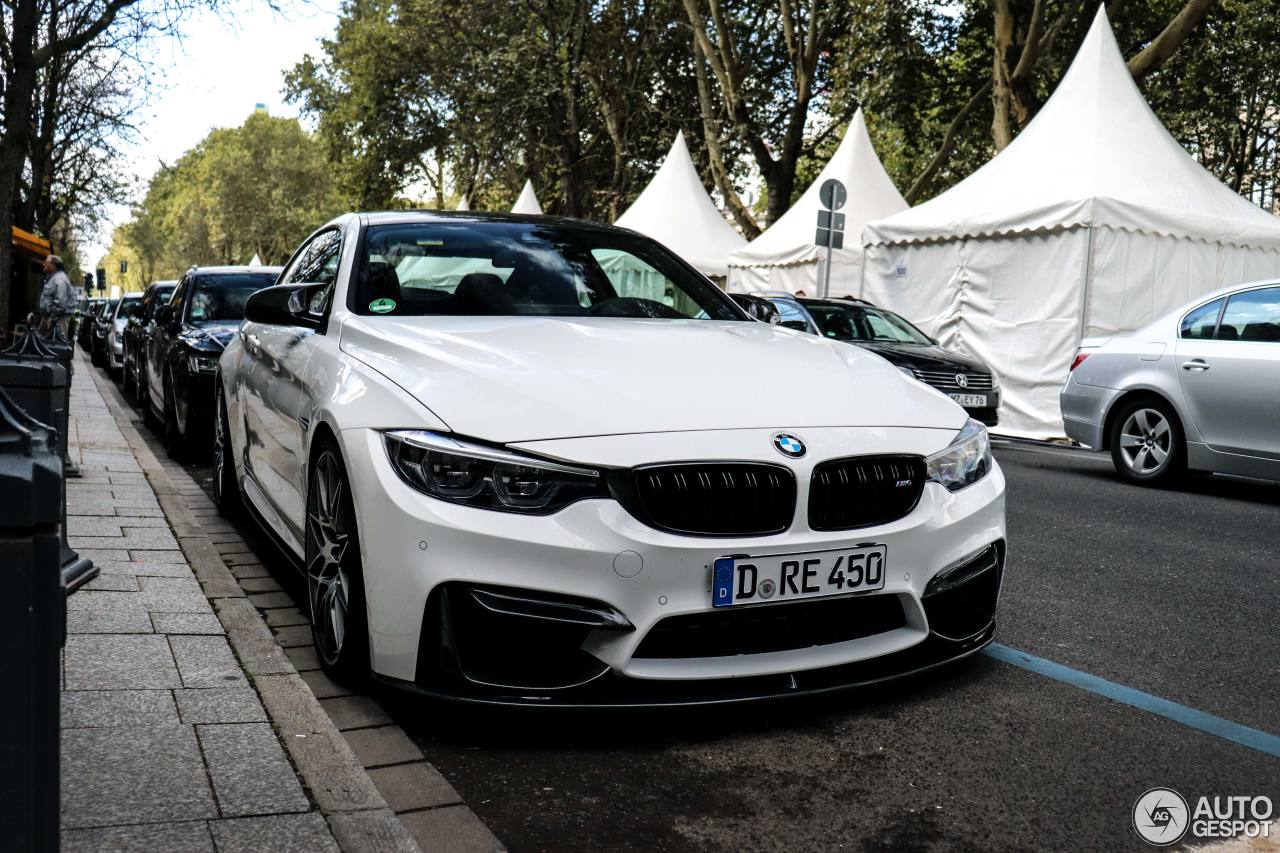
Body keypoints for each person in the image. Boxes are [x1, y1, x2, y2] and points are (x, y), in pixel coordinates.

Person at [38, 254, 77, 337]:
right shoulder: (54, 278)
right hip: (51, 318)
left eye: (46, 262)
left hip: (58, 320)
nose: (43, 264)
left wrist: (51, 317)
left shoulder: (59, 279)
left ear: (53, 265)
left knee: (57, 345)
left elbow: (60, 304)